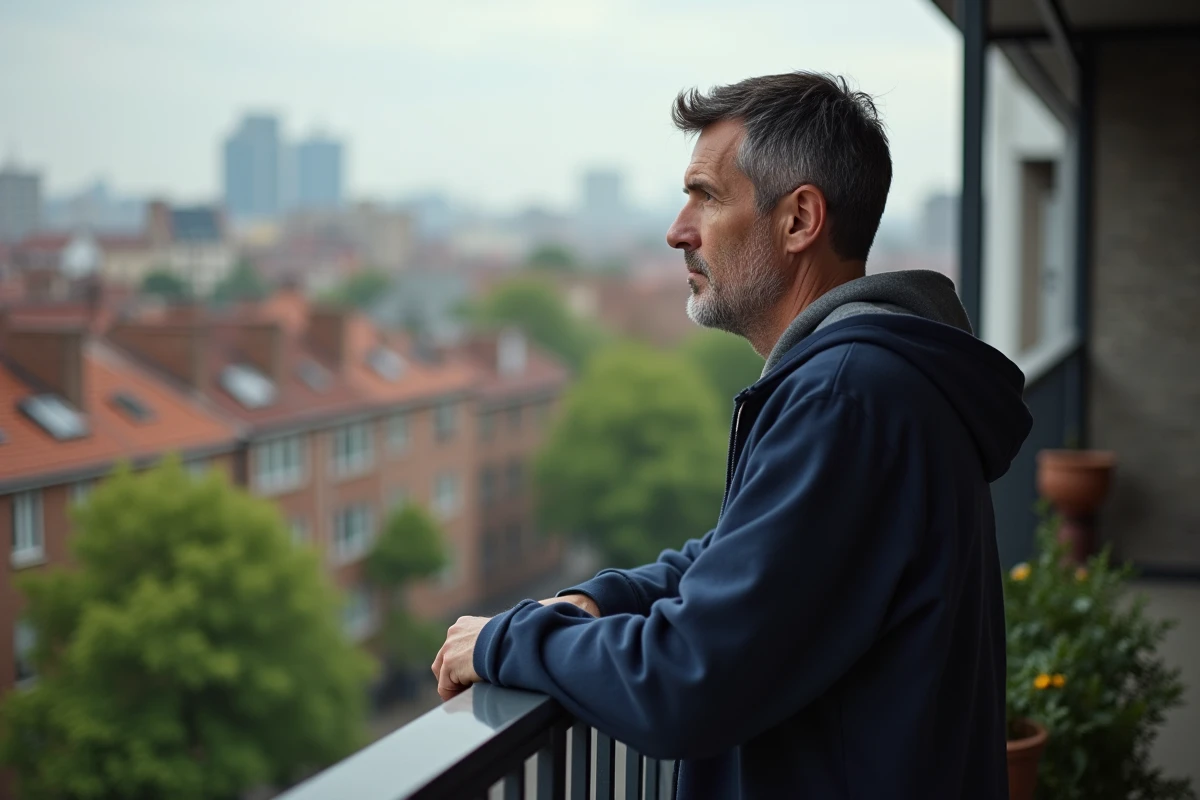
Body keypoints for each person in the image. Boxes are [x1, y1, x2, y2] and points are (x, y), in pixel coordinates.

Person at [433, 72, 1031, 799]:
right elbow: (745, 558)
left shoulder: (847, 398)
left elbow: (689, 678)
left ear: (799, 219)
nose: (677, 230)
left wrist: (504, 641)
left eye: (706, 196)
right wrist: (603, 600)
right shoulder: (867, 381)